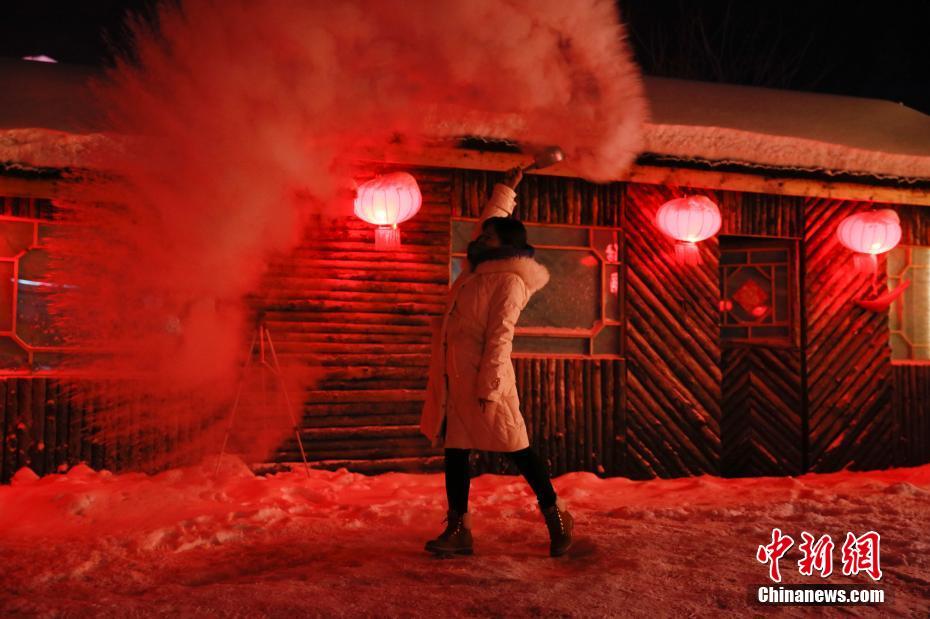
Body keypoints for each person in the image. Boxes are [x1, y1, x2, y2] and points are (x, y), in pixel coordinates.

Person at [419, 166, 574, 557]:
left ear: (504, 244)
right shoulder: (477, 271)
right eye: (483, 234)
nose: (481, 237)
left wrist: (488, 387)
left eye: (489, 236)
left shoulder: (510, 281)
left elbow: (501, 337)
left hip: (487, 382)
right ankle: (459, 529)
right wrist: (506, 188)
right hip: (457, 379)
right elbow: (488, 223)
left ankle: (556, 515)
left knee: (517, 448)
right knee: (456, 453)